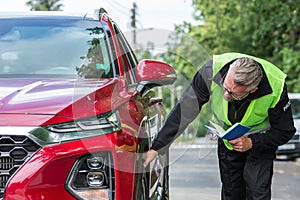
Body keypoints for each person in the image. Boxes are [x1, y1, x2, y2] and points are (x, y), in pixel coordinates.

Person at [143, 52, 296, 200]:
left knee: (257, 192)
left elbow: (285, 131)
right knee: (232, 193)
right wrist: (157, 147)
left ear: (253, 90)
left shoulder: (275, 87)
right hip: (228, 142)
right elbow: (185, 110)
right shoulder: (211, 71)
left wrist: (252, 142)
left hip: (260, 144)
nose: (225, 95)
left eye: (233, 93)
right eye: (225, 87)